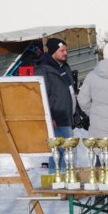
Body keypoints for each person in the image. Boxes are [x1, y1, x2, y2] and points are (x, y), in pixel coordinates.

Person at [35, 38, 76, 173]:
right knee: (62, 152)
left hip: (67, 116)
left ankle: (60, 179)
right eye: (62, 50)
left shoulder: (64, 66)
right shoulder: (44, 70)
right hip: (56, 118)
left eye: (66, 50)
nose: (65, 53)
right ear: (53, 52)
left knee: (63, 152)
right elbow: (41, 95)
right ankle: (61, 179)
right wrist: (50, 117)